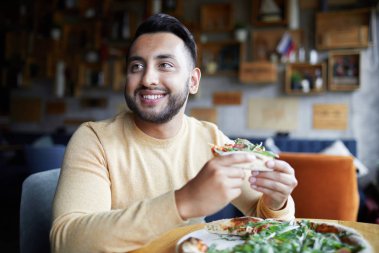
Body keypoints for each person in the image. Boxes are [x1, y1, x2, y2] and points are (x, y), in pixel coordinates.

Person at [50, 13, 297, 253]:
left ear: (193, 81)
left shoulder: (211, 140)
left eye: (165, 65)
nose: (147, 78)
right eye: (136, 66)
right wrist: (182, 202)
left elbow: (274, 229)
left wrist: (276, 203)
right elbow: (66, 243)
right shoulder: (94, 139)